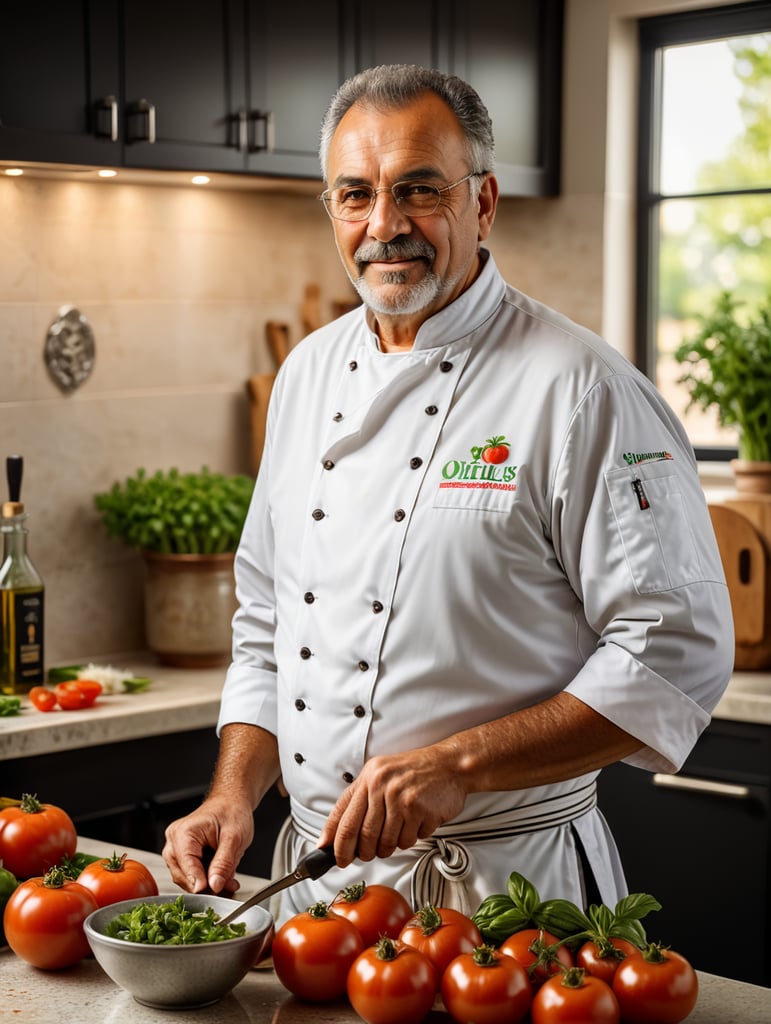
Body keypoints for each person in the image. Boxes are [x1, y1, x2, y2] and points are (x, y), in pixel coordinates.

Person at [163, 64, 734, 922]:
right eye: (354, 195)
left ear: (483, 203)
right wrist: (235, 791)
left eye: (418, 190)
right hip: (312, 897)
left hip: (506, 896)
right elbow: (268, 623)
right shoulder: (306, 374)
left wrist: (457, 765)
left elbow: (675, 652)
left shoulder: (581, 389)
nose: (383, 227)